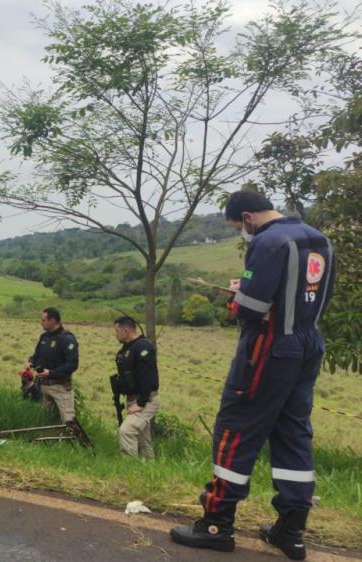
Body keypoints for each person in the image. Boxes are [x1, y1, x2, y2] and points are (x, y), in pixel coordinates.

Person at [170, 191, 335, 560]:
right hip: (309, 343)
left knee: (236, 428)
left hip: (269, 349)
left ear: (247, 217)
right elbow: (320, 296)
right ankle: (290, 531)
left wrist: (236, 295)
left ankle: (216, 524)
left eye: (237, 227)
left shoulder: (267, 241)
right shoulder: (319, 239)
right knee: (293, 432)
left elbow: (251, 309)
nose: (242, 233)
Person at [111, 315, 160, 459]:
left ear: (126, 330)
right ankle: (149, 467)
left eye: (116, 331)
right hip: (133, 399)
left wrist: (141, 403)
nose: (115, 334)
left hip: (146, 399)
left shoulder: (143, 347)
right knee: (143, 440)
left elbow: (147, 377)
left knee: (126, 431)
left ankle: (130, 467)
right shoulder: (126, 349)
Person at [26, 307, 80, 429]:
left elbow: (72, 365)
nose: (41, 322)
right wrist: (30, 362)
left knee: (69, 422)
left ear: (52, 321)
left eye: (43, 320)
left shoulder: (67, 339)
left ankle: (74, 440)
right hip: (42, 387)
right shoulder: (44, 337)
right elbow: (36, 355)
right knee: (45, 422)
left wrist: (51, 373)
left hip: (60, 387)